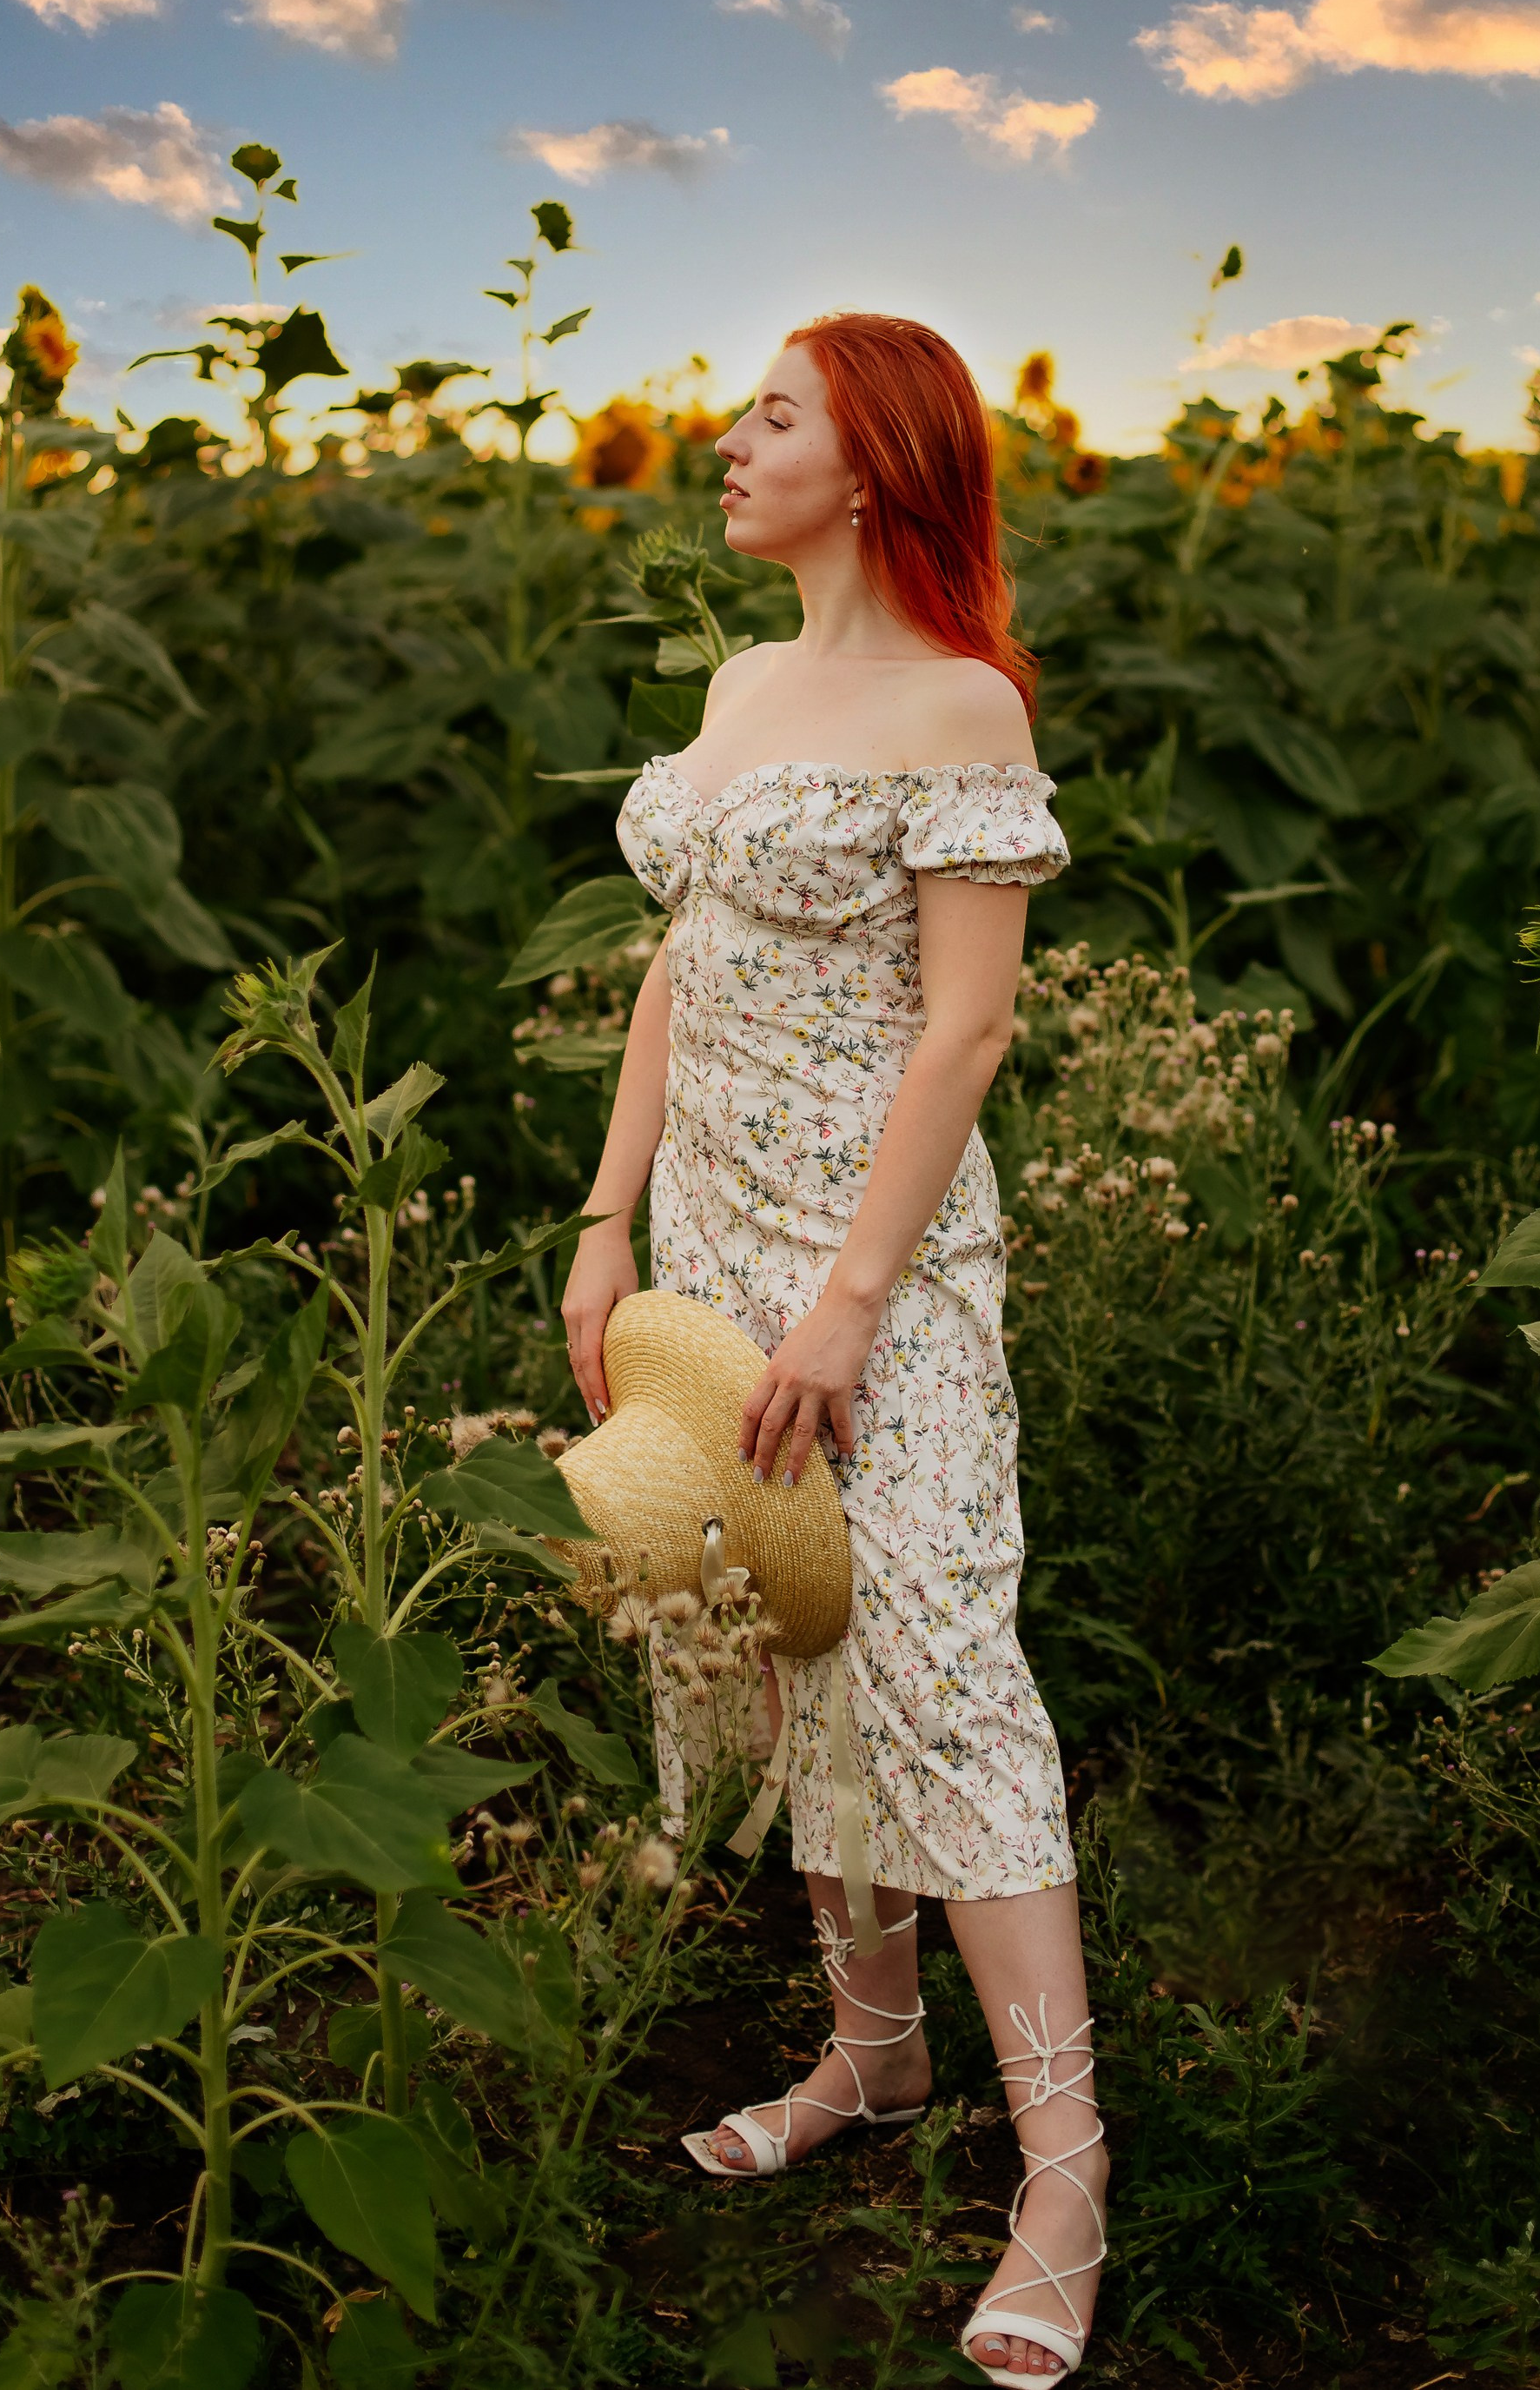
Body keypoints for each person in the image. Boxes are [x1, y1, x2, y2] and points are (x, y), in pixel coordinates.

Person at [560, 314, 1107, 2380]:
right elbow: (673, 974)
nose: (726, 437)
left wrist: (852, 1305)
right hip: (704, 1251)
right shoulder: (731, 686)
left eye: (770, 413)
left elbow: (964, 1026)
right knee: (782, 1638)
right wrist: (608, 1229)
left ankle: (1063, 2171)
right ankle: (869, 2055)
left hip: (876, 1270)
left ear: (870, 461)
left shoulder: (956, 704)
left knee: (947, 1666)